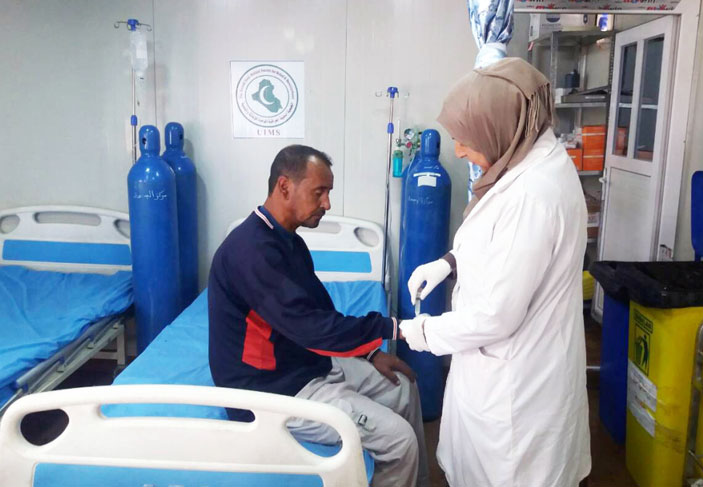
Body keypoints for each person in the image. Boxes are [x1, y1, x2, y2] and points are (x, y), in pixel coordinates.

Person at [399, 58, 591, 487]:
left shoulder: (532, 193)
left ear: (498, 128)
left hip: (517, 388)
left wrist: (422, 333)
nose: (461, 152)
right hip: (496, 370)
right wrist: (449, 263)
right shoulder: (523, 162)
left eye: (465, 140)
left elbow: (495, 316)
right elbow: (501, 244)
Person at [208, 144, 429, 487]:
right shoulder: (250, 252)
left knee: (402, 387)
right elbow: (311, 327)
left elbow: (318, 309)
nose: (327, 203)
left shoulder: (289, 241)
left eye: (328, 192)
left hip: (304, 365)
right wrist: (393, 328)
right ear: (284, 187)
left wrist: (370, 352)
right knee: (399, 440)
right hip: (271, 393)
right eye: (319, 192)